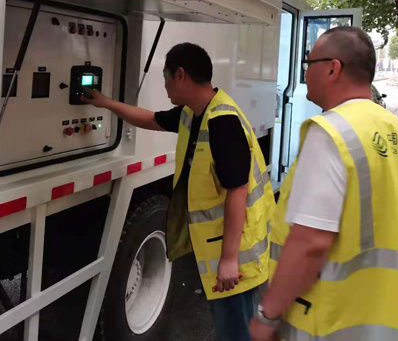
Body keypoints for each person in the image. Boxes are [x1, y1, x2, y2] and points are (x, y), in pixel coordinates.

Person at [82, 42, 275, 341]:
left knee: (237, 332)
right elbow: (149, 118)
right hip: (225, 254)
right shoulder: (193, 113)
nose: (165, 86)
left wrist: (228, 259)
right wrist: (106, 103)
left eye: (166, 78)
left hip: (238, 260)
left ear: (181, 75)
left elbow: (237, 192)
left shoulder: (222, 122)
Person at [249, 26, 398, 341]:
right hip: (388, 321)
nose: (304, 75)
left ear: (332, 68)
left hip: (329, 321)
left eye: (308, 64)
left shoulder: (329, 133)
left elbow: (311, 242)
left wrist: (267, 315)